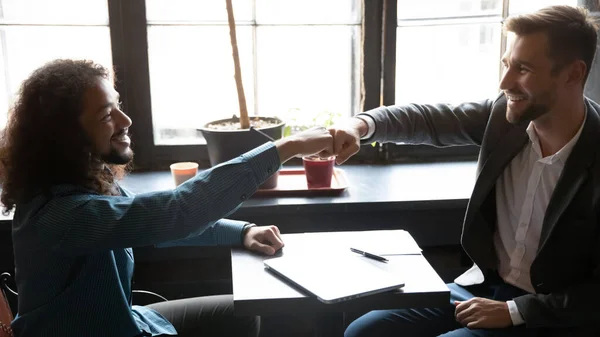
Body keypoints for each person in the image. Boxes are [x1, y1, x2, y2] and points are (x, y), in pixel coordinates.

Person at [0, 59, 334, 337]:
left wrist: (242, 232)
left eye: (118, 106)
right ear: (67, 136)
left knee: (242, 314)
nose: (125, 121)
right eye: (106, 115)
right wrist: (285, 147)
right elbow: (177, 212)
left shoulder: (82, 181)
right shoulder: (62, 214)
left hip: (124, 322)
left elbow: (156, 223)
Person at [328, 5, 600, 337]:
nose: (505, 82)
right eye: (506, 65)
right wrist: (360, 125)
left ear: (573, 73)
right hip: (482, 288)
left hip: (551, 314)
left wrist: (515, 312)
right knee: (363, 332)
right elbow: (429, 119)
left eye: (523, 69)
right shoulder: (503, 117)